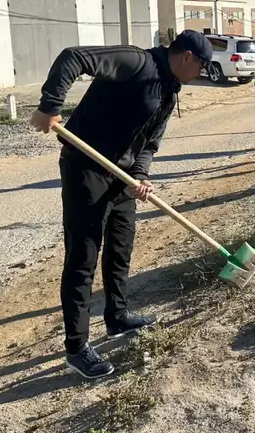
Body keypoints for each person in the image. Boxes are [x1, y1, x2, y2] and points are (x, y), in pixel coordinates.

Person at [30, 30, 213, 379]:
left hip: (122, 177)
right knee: (83, 257)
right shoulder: (135, 61)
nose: (202, 73)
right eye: (202, 66)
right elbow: (74, 56)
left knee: (120, 248)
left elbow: (149, 144)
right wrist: (50, 106)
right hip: (86, 169)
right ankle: (76, 348)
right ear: (187, 56)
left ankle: (117, 317)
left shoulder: (169, 92)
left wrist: (140, 175)